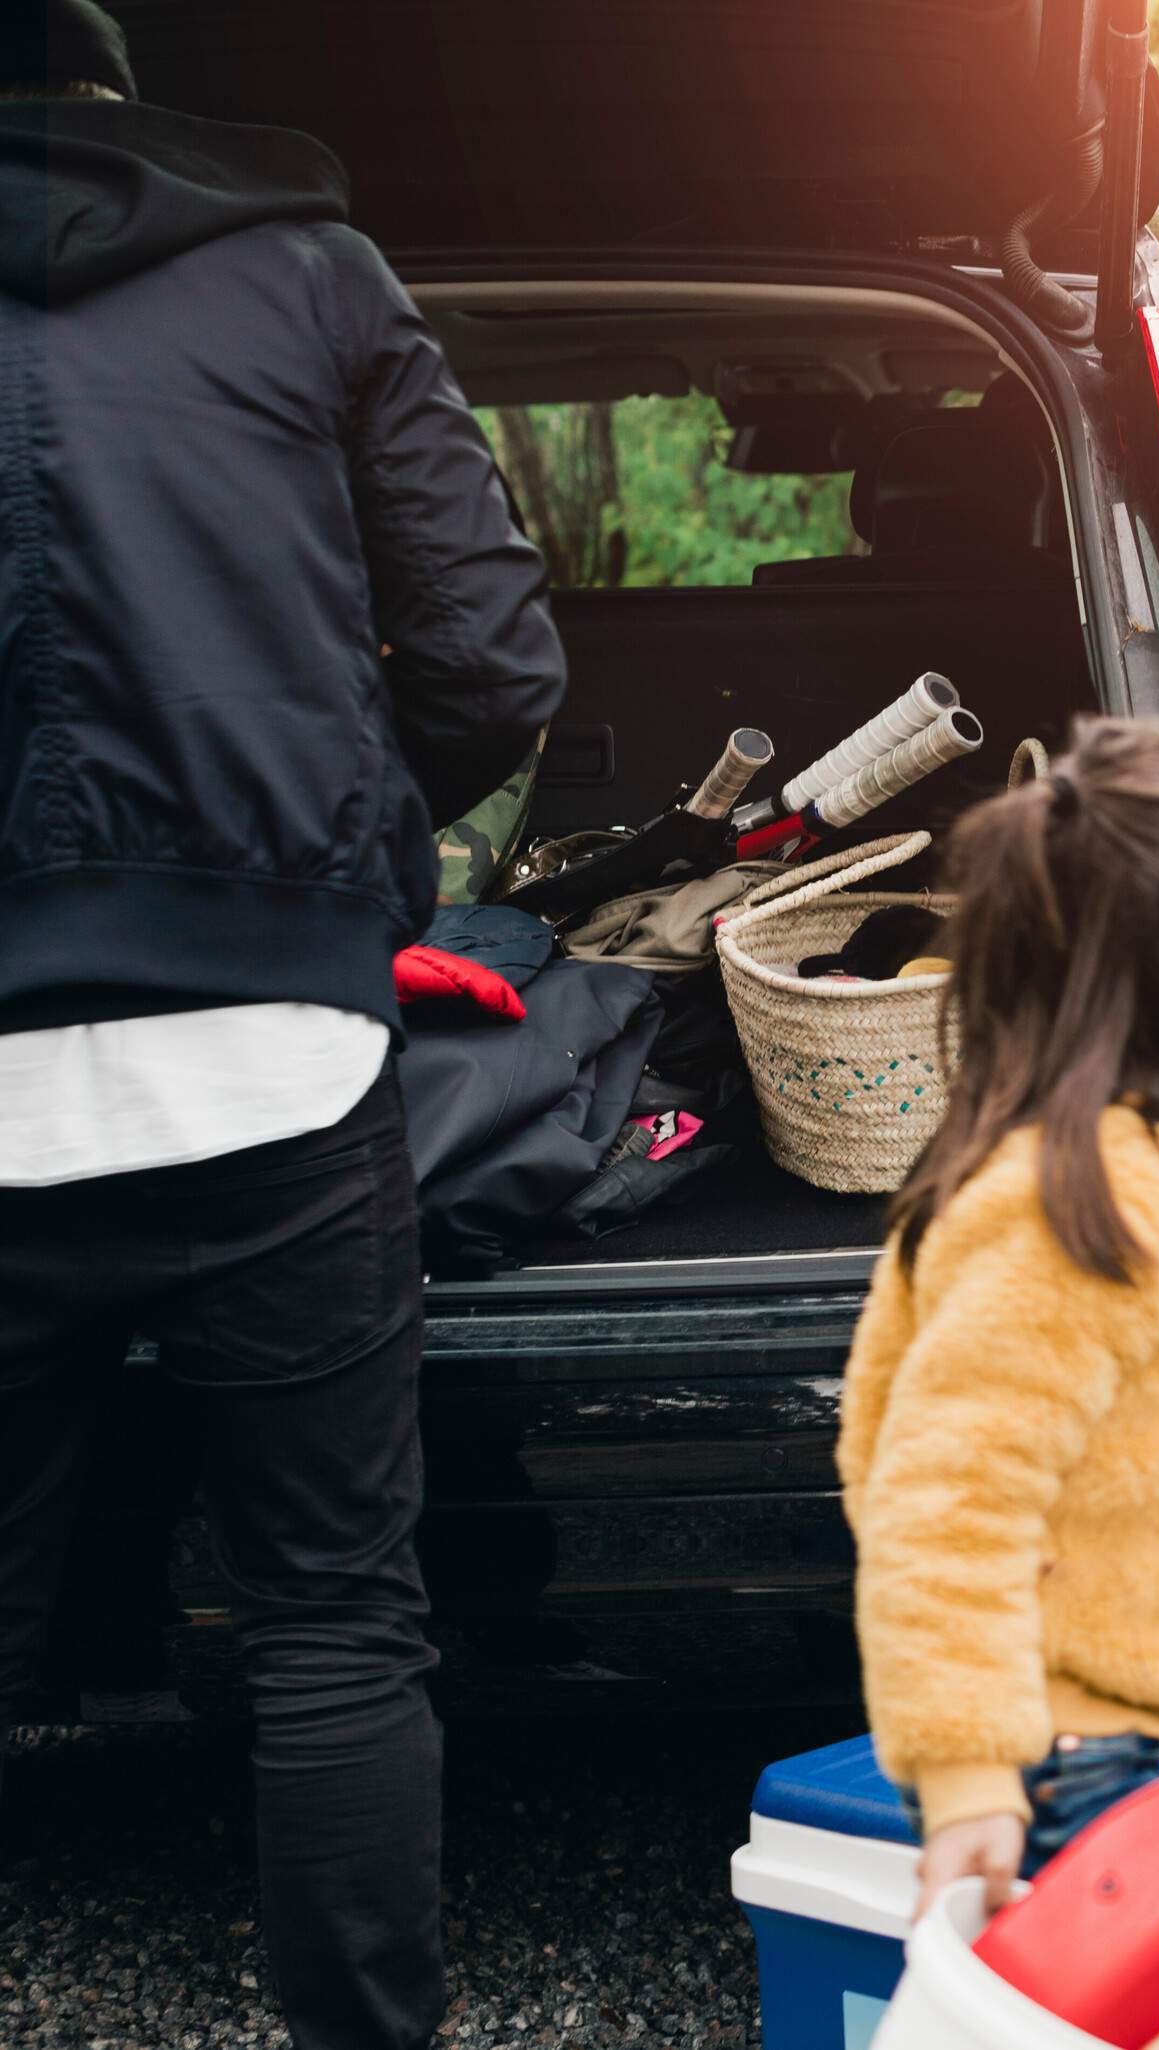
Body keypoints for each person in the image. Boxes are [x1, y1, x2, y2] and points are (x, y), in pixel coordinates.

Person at [0, 5, 564, 2046]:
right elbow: (497, 659)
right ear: (123, 100)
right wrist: (341, 839)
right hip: (279, 1058)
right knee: (333, 1614)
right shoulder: (309, 273)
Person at [837, 719, 1159, 1996]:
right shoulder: (1076, 1202)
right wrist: (969, 1781)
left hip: (1130, 1742)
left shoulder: (1147, 1166)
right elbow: (942, 1502)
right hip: (1065, 1765)